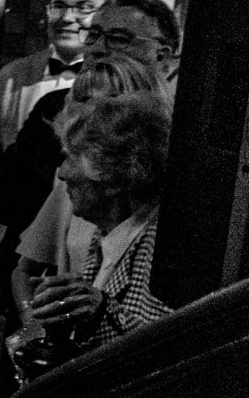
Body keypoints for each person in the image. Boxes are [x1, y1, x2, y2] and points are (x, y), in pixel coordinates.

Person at [0, 0, 122, 271]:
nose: (66, 18)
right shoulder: (14, 72)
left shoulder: (115, 83)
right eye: (59, 6)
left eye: (83, 7)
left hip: (83, 239)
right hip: (10, 234)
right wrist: (12, 196)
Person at [11, 51, 174, 316]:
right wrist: (36, 322)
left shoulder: (158, 245)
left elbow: (152, 340)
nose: (62, 173)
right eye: (83, 97)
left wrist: (96, 315)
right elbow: (25, 270)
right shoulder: (101, 220)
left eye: (109, 100)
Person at [22, 92, 174, 353]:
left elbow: (163, 354)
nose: (62, 172)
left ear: (114, 176)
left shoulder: (161, 251)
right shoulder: (106, 234)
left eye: (72, 157)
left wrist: (101, 312)